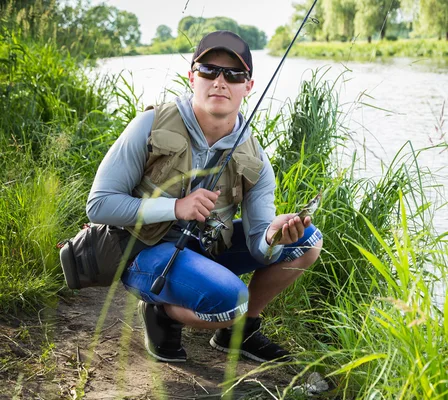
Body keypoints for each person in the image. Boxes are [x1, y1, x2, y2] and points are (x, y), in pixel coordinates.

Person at [86, 30, 323, 363]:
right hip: (144, 249)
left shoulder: (255, 157)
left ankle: (239, 333)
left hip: (208, 248)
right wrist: (176, 207)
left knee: (308, 242)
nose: (220, 81)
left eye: (234, 74)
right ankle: (161, 314)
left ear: (248, 86)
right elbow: (98, 205)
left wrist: (273, 236)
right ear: (192, 77)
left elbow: (259, 245)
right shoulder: (150, 124)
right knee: (230, 301)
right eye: (209, 70)